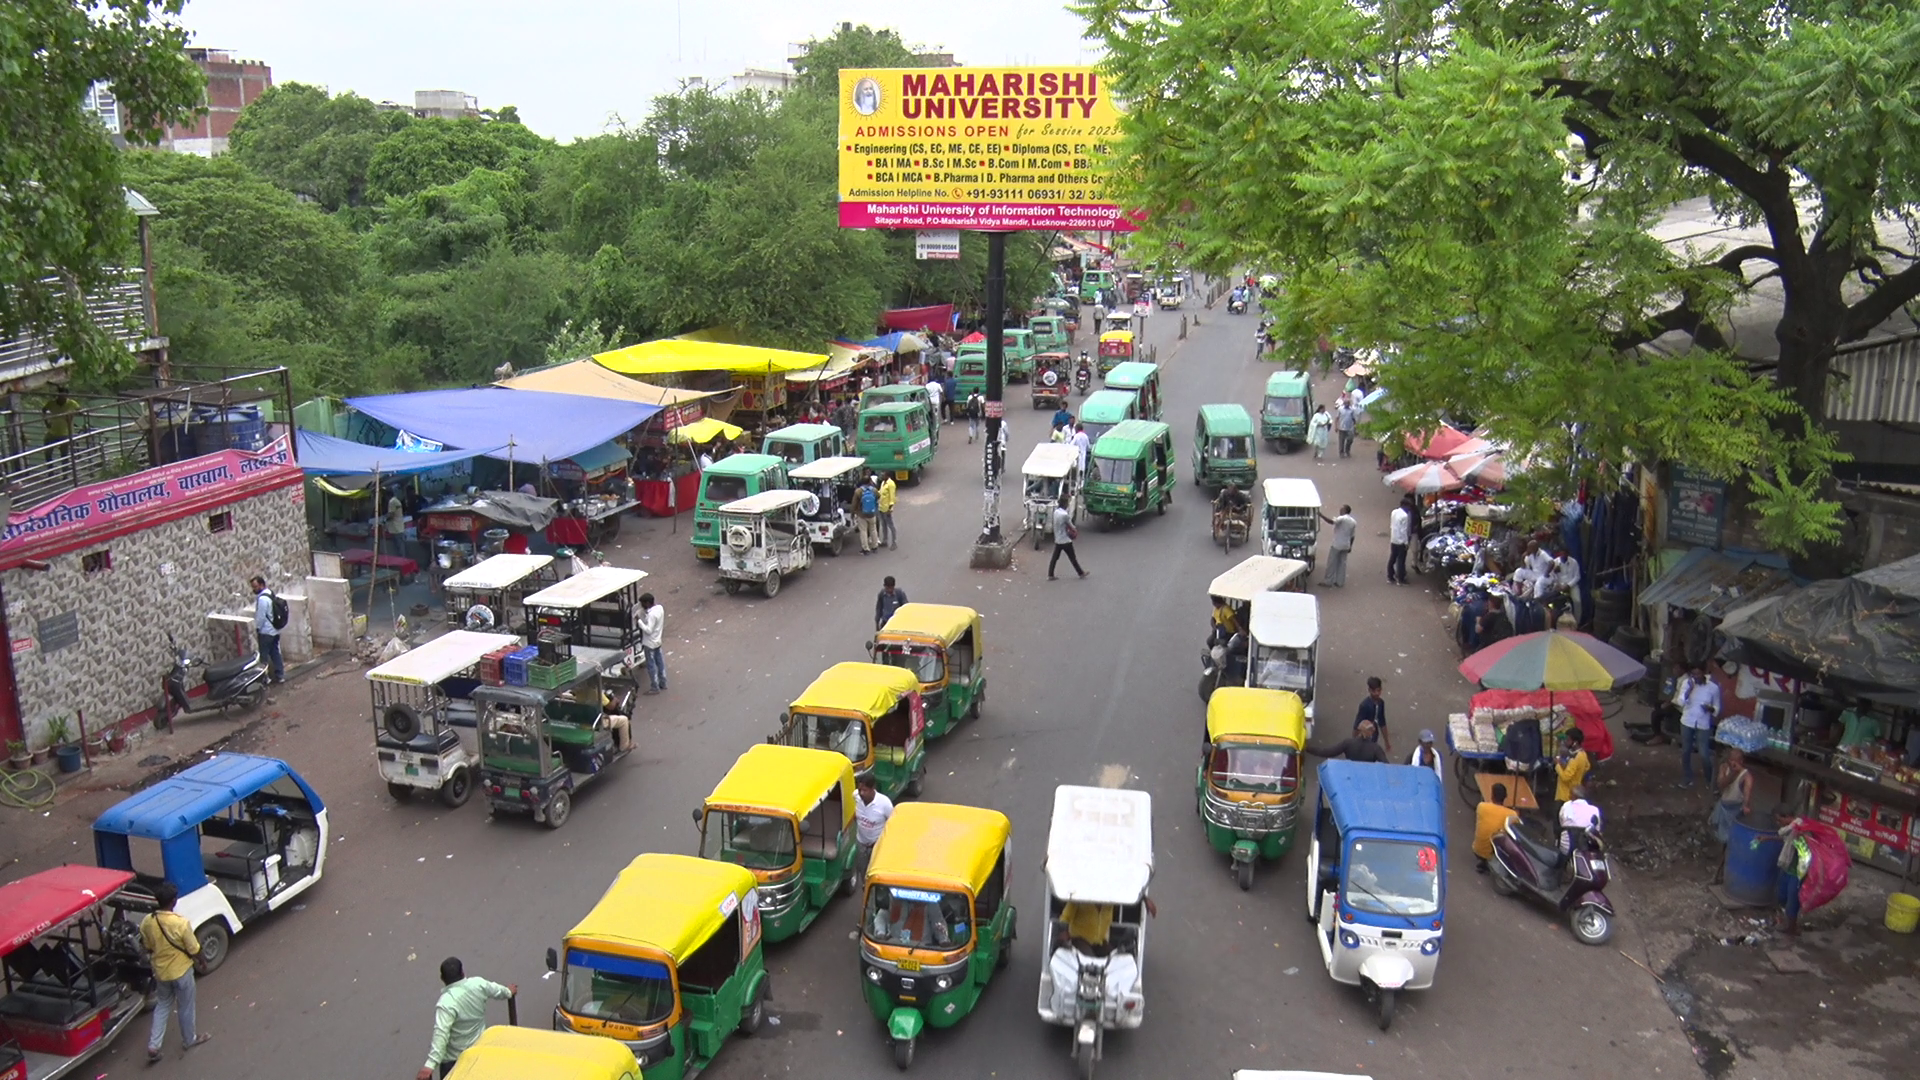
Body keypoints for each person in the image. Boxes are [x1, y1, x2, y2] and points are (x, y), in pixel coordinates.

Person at [141, 881, 210, 1064]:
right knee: (185, 1006)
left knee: (163, 1005)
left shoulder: (148, 921)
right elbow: (194, 948)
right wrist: (203, 962)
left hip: (161, 972)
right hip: (181, 972)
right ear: (173, 901)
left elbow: (147, 946)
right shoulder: (180, 923)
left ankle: (154, 1045)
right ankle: (189, 1039)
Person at [419, 957, 515, 1079]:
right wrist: (509, 991)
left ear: (442, 978)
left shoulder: (446, 1003)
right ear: (463, 972)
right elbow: (498, 991)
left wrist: (430, 1065)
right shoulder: (478, 984)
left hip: (455, 1062)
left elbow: (441, 1033)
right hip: (479, 1050)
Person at [1676, 663, 1721, 787]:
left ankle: (1709, 780)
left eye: (1698, 674)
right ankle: (1687, 777)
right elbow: (1680, 702)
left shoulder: (1713, 688)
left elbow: (1717, 709)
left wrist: (1710, 709)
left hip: (1703, 724)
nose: (1696, 677)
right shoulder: (1687, 683)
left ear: (1704, 673)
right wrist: (1689, 691)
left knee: (1704, 754)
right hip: (1687, 721)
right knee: (1685, 751)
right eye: (1693, 674)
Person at [1709, 747, 1755, 853]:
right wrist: (1732, 774)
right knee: (1718, 831)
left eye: (1735, 761)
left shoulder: (1746, 776)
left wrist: (1746, 805)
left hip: (1734, 809)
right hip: (1723, 805)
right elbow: (1720, 785)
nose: (1732, 763)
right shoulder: (1724, 767)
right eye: (1730, 760)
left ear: (1741, 762)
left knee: (1731, 836)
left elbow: (1747, 793)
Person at [1774, 804, 1810, 935]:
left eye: (1779, 820)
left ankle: (1792, 929)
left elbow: (1805, 851)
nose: (1779, 823)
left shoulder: (1800, 829)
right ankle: (1785, 922)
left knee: (1792, 900)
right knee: (1782, 896)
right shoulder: (1792, 830)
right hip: (1788, 868)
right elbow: (1785, 839)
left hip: (1797, 872)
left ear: (1788, 817)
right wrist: (1766, 839)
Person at [853, 771, 894, 883]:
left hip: (877, 847)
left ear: (873, 789)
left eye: (864, 790)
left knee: (877, 877)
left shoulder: (884, 804)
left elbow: (892, 824)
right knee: (863, 873)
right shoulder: (855, 796)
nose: (861, 793)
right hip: (861, 845)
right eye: (859, 789)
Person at [1473, 783, 1521, 872]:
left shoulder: (1481, 806)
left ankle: (1484, 863)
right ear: (1505, 797)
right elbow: (1517, 827)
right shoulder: (1511, 814)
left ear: (1492, 795)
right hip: (1494, 854)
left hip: (1477, 850)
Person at [250, 575, 284, 684]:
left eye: (255, 587)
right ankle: (280, 675)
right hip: (275, 630)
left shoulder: (262, 599)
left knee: (264, 656)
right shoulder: (270, 593)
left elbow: (261, 617)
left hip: (266, 632)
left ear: (261, 585)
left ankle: (265, 678)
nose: (254, 589)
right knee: (275, 653)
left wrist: (257, 628)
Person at [1306, 720, 1389, 762]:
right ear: (1372, 733)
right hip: (1366, 776)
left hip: (1350, 773)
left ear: (1359, 731)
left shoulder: (1349, 743)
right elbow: (1386, 764)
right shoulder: (1375, 748)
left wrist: (1307, 748)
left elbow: (1327, 752)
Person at [1048, 495, 1088, 579]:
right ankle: (1080, 573)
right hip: (1066, 540)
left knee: (1054, 558)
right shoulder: (1065, 515)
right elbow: (1072, 526)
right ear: (1065, 504)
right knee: (1073, 558)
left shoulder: (1056, 512)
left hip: (1058, 539)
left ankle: (1050, 574)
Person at [1318, 504, 1357, 587]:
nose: (1340, 510)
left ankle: (1328, 581)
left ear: (1345, 510)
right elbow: (1352, 536)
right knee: (1342, 564)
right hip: (1346, 545)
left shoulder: (1342, 518)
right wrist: (1350, 546)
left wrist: (1321, 515)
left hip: (1337, 544)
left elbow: (1331, 522)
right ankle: (1340, 582)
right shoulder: (1353, 522)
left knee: (1331, 562)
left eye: (1341, 509)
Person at [1558, 787, 1602, 858]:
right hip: (1588, 847)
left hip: (1567, 847)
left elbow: (1561, 823)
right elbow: (1597, 829)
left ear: (1574, 796)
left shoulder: (1566, 806)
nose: (1569, 796)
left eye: (1570, 794)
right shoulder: (1594, 809)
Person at [637, 592, 666, 694]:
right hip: (657, 640)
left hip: (649, 643)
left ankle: (655, 687)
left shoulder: (651, 615)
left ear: (648, 603)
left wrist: (639, 622)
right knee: (660, 663)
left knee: (651, 665)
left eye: (643, 604)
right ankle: (663, 682)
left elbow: (648, 630)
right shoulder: (660, 609)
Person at [1554, 727, 1592, 804]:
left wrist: (1557, 764)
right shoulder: (1582, 754)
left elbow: (1566, 777)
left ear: (1575, 742)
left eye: (1568, 740)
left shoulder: (1575, 758)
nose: (1565, 742)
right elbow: (1587, 766)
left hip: (1565, 795)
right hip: (1575, 790)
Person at [1354, 676, 1390, 755]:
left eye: (1378, 690)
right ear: (1369, 690)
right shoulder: (1364, 705)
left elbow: (1382, 722)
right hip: (1364, 737)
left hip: (1374, 735)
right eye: (1374, 691)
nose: (1377, 693)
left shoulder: (1381, 703)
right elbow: (1357, 725)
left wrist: (1386, 741)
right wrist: (1354, 743)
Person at [41, 389, 80, 460]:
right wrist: (46, 422)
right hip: (52, 432)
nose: (62, 397)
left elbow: (80, 410)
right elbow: (44, 410)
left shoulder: (72, 403)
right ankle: (50, 469)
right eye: (60, 395)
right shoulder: (52, 403)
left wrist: (72, 415)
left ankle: (65, 469)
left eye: (64, 395)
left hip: (65, 432)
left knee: (64, 454)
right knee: (48, 452)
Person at [1387, 498, 1412, 584]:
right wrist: (1406, 542)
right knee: (1401, 560)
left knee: (1392, 558)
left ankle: (1390, 576)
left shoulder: (1394, 512)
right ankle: (1401, 578)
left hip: (1394, 538)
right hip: (1401, 541)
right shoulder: (1405, 516)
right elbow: (1404, 530)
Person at [855, 475, 881, 554]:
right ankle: (875, 546)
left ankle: (865, 549)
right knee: (873, 529)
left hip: (862, 514)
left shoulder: (858, 491)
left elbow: (854, 504)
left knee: (863, 531)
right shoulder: (874, 490)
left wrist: (853, 512)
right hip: (872, 513)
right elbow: (878, 496)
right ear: (870, 481)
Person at [877, 473, 898, 550]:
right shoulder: (883, 482)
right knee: (883, 525)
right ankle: (885, 541)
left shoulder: (891, 484)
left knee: (891, 526)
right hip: (881, 508)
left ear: (887, 476)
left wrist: (890, 508)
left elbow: (892, 498)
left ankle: (894, 542)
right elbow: (880, 493)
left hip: (887, 509)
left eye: (883, 475)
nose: (881, 476)